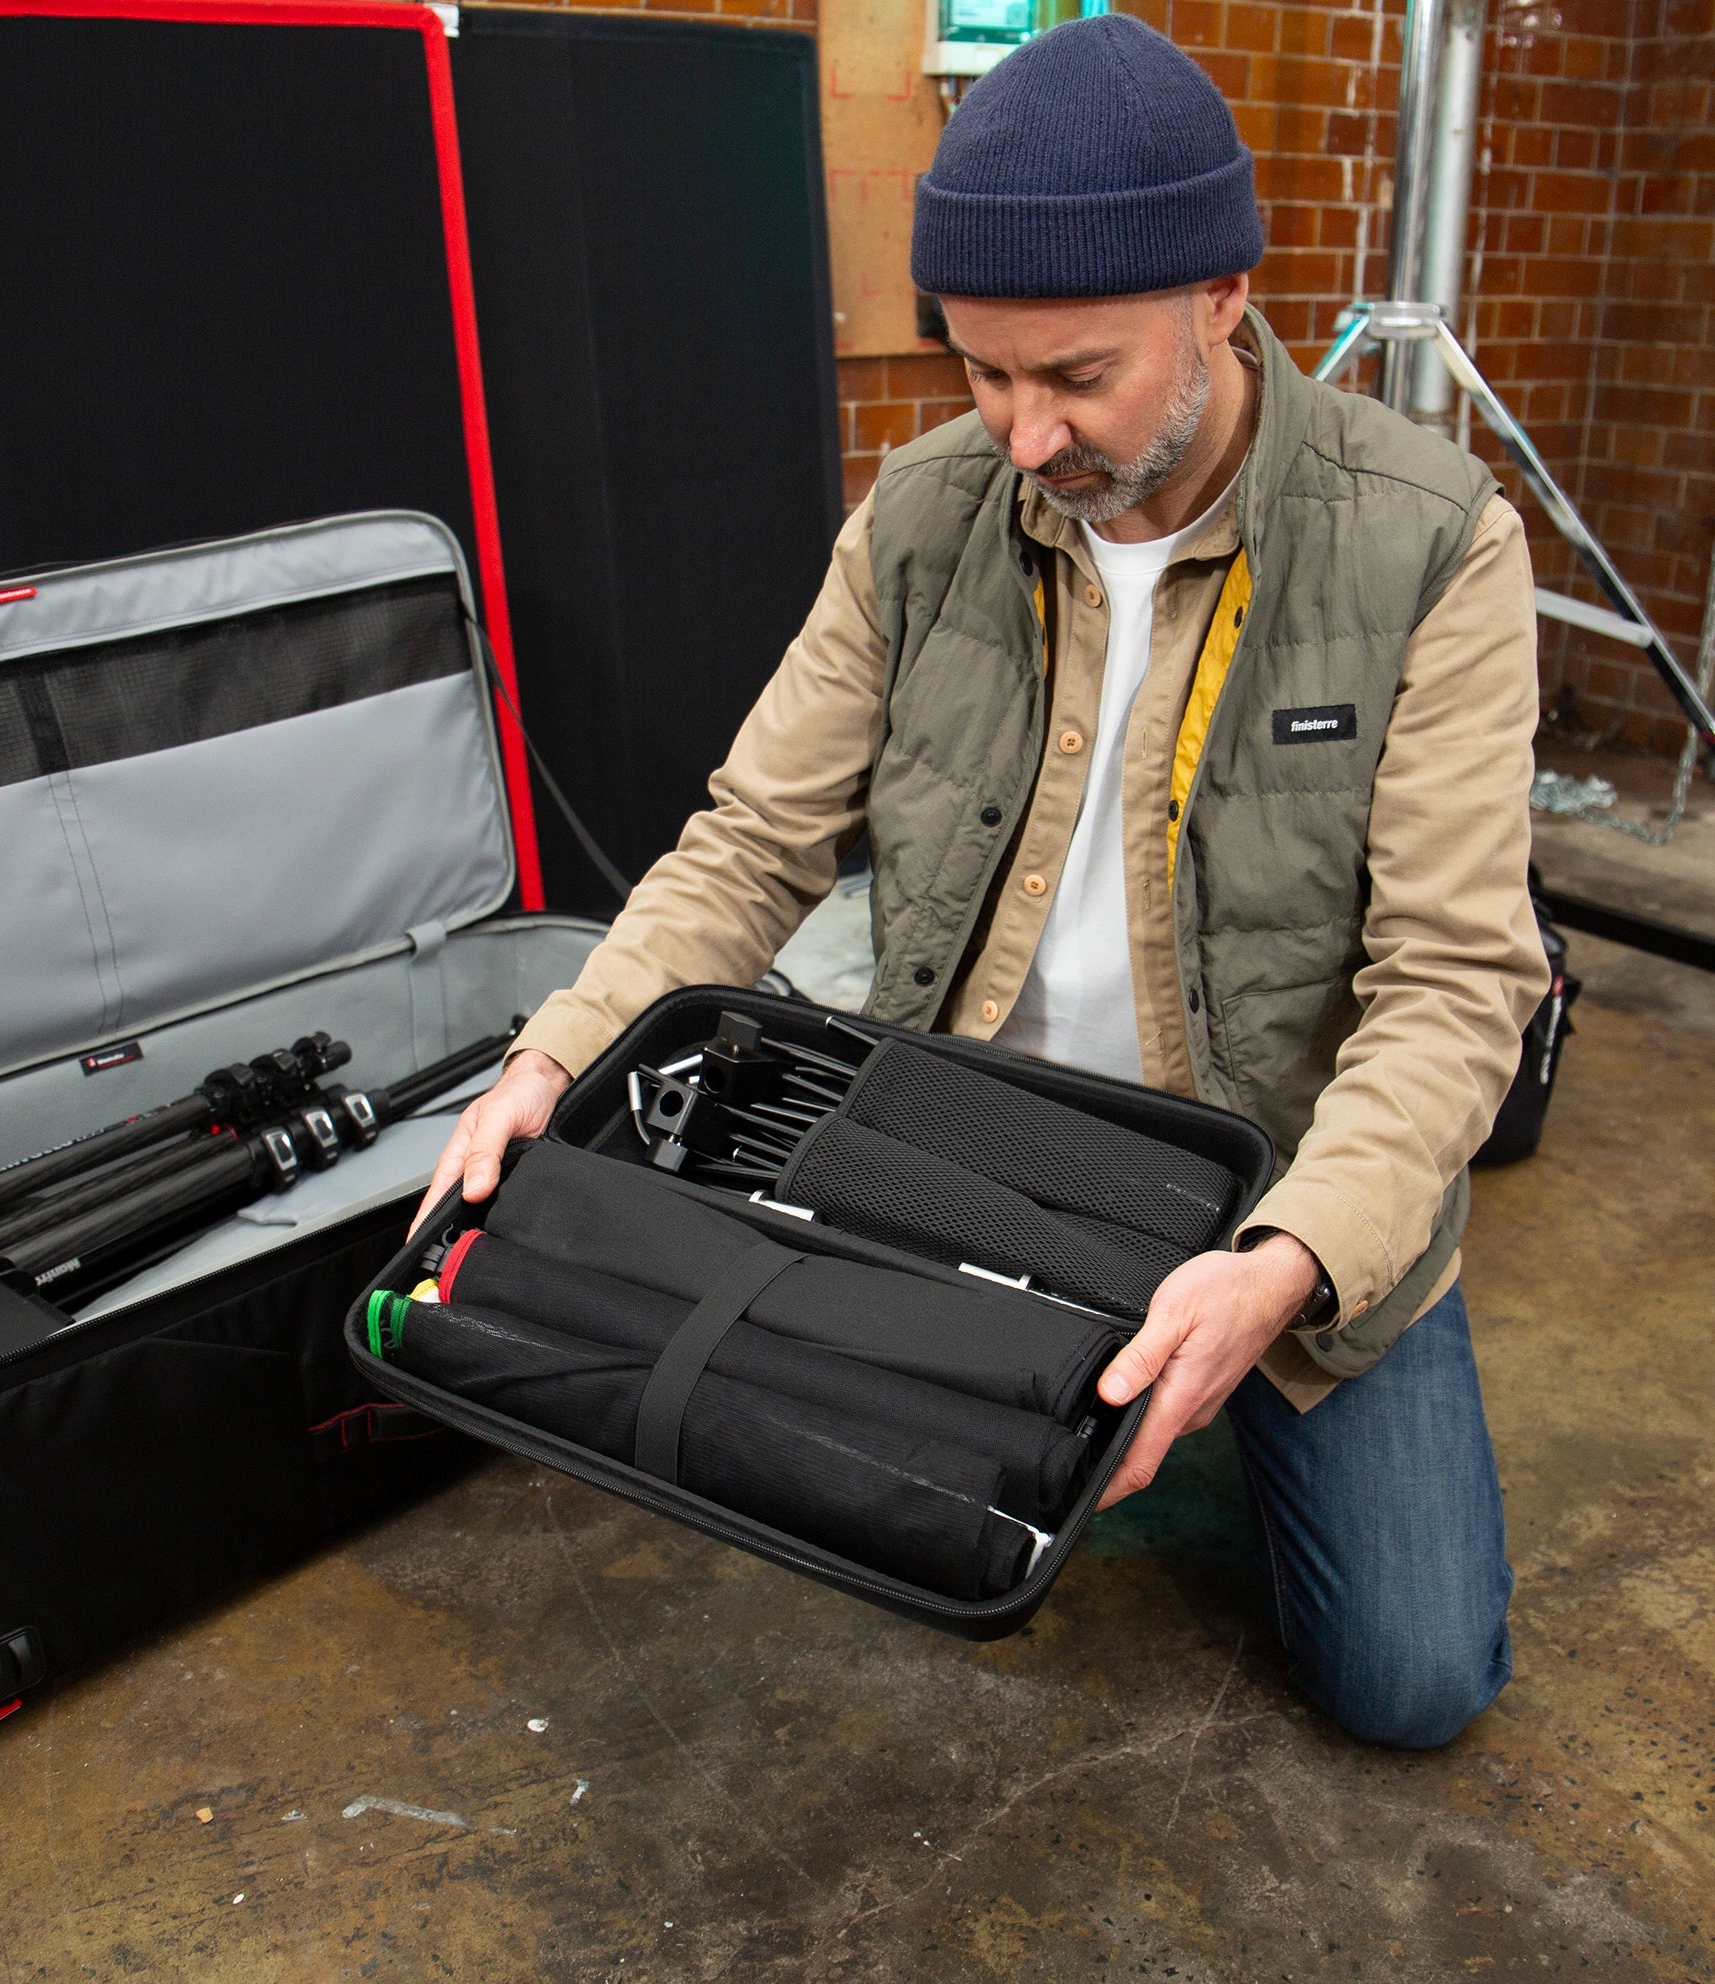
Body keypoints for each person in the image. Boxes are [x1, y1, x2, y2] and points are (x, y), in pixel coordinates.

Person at [414, 15, 1547, 1749]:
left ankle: (1209, 1390)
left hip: (1266, 1178)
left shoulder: (1431, 542)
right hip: (966, 1143)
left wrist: (1294, 1264)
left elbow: (1460, 989)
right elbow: (752, 840)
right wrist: (556, 1054)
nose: (1022, 435)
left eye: (1077, 378)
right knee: (822, 1518)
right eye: (980, 374)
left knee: (1411, 1688)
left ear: (1225, 296)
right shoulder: (924, 515)